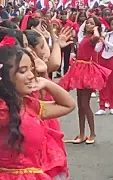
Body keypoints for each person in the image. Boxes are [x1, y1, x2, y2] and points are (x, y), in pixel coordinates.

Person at [0, 36, 76, 179]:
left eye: (32, 69)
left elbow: (69, 105)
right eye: (23, 71)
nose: (31, 76)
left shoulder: (28, 104)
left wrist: (46, 83)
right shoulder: (3, 110)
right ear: (4, 76)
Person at [59, 16, 111, 144]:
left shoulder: (92, 39)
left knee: (85, 105)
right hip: (79, 68)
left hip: (86, 70)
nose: (88, 25)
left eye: (91, 23)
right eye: (87, 23)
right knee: (80, 106)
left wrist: (96, 29)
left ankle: (92, 133)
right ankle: (82, 134)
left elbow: (97, 37)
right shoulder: (84, 38)